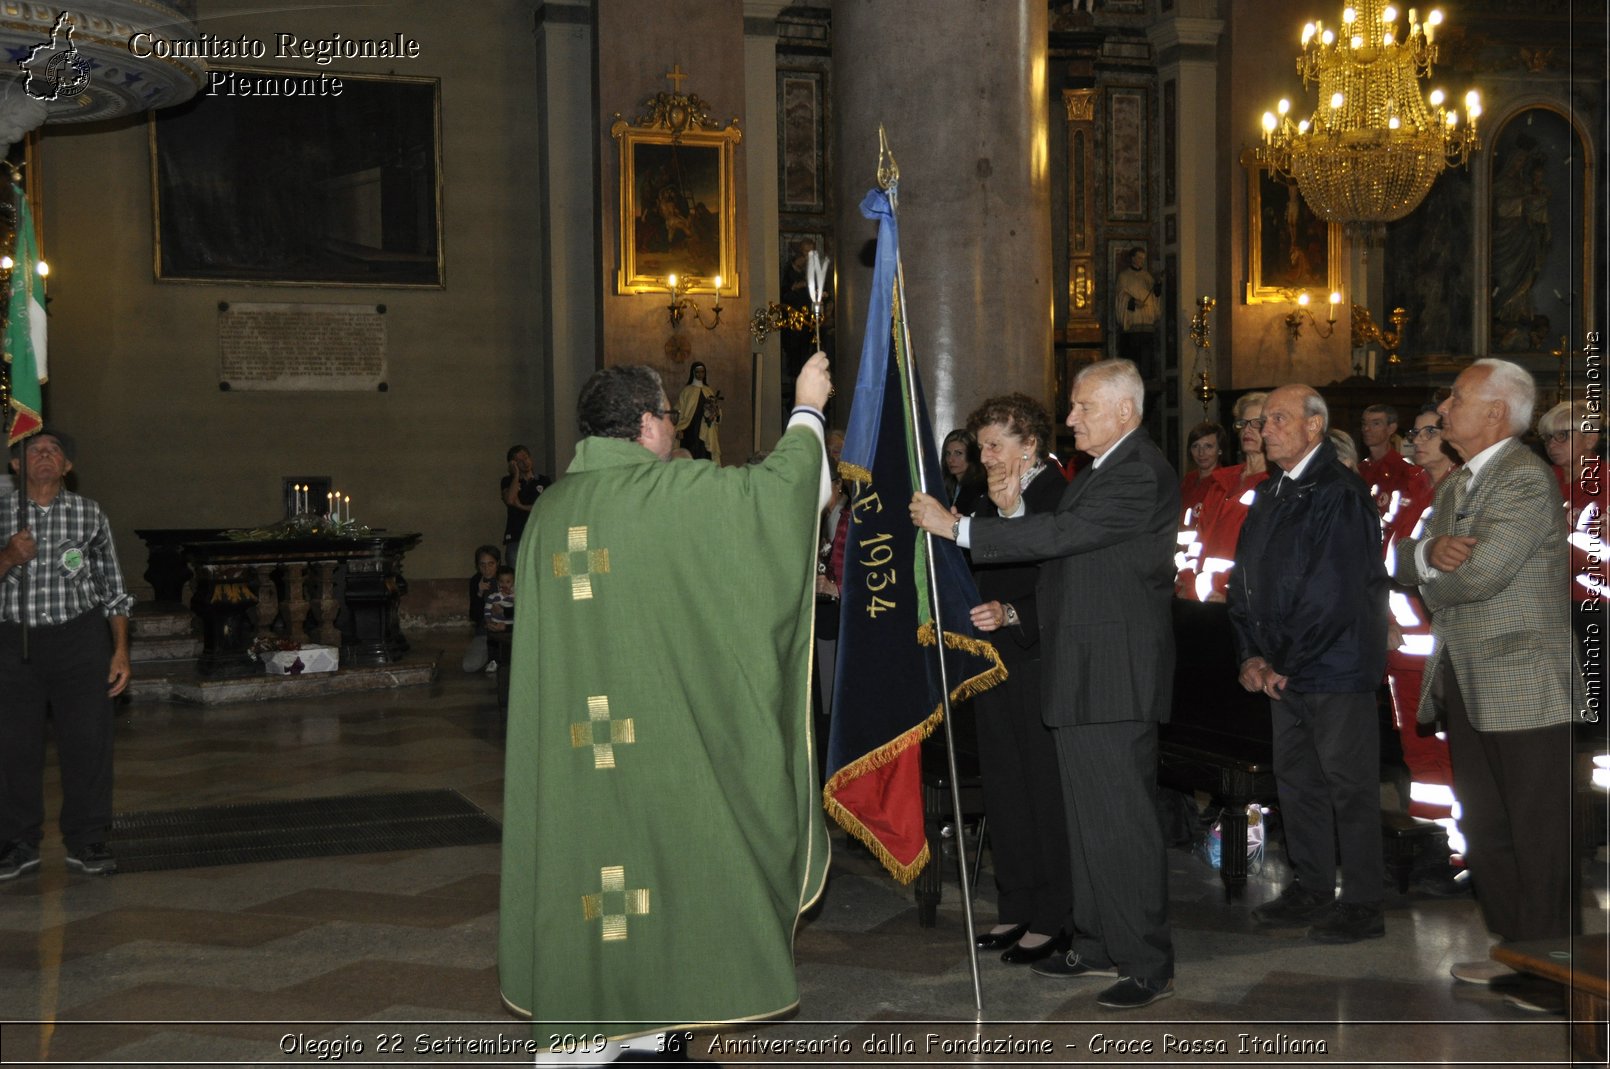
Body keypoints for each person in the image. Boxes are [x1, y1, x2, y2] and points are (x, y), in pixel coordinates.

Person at [498, 353, 833, 1060]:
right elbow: (778, 498)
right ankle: (645, 1025)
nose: (674, 437)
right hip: (653, 742)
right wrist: (806, 408)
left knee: (593, 876)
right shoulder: (668, 494)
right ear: (649, 423)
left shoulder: (550, 510)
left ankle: (602, 1030)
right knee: (660, 866)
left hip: (577, 757)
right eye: (669, 423)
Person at [910, 358, 1179, 1010]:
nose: (1071, 418)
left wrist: (963, 528)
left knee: (1121, 825)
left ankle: (1145, 959)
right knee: (1086, 822)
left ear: (1125, 409)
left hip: (1114, 674)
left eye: (1084, 406)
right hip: (1080, 669)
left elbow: (1063, 533)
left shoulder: (1138, 471)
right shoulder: (1101, 471)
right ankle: (1091, 941)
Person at [1394, 359, 1583, 1002]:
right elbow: (1406, 555)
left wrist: (1432, 572)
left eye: (1457, 397)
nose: (1444, 409)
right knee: (1487, 826)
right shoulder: (1458, 484)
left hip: (1523, 679)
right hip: (1469, 678)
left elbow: (1481, 575)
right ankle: (1515, 950)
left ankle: (1557, 973)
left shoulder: (1524, 480)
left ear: (1497, 412)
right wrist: (1428, 556)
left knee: (1538, 833)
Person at [1227, 385, 1389, 945]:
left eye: (1277, 419)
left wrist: (1283, 662)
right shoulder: (1274, 492)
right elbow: (1244, 578)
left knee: (1348, 786)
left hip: (1333, 666)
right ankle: (1314, 887)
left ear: (1314, 427)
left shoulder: (1337, 492)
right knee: (1298, 784)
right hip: (1286, 668)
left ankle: (1364, 901)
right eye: (1262, 420)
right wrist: (1250, 652)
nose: (1263, 429)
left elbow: (1334, 593)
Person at [957, 393, 1073, 966]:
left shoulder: (1058, 494)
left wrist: (1011, 612)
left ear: (1030, 444)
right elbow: (975, 569)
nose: (986, 456)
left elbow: (1055, 576)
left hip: (1039, 657)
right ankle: (1016, 901)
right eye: (981, 447)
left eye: (996, 445)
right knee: (1004, 784)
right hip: (994, 660)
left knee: (1042, 788)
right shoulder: (981, 499)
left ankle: (1055, 914)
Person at [0, 429, 134, 881]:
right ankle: (19, 842)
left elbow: (112, 588)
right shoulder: (1, 512)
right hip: (13, 641)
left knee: (88, 741)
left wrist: (119, 651)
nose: (43, 456)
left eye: (53, 451)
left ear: (66, 467)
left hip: (79, 640)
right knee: (14, 746)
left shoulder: (88, 513)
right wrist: (7, 557)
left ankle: (88, 838)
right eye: (33, 450)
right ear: (16, 464)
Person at [1384, 407, 1460, 824]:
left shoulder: (1463, 492)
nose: (1419, 438)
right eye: (1416, 431)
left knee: (1451, 752)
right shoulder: (1410, 491)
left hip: (1443, 653)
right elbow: (1384, 566)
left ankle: (1460, 849)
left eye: (1431, 431)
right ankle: (1431, 837)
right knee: (1418, 753)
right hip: (1401, 652)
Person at [1176, 392, 1269, 602]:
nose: (1248, 430)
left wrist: (1232, 596)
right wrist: (1186, 580)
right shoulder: (1223, 480)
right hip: (1199, 598)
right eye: (1243, 423)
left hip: (1237, 601)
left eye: (1257, 423)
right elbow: (1197, 538)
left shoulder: (1273, 484)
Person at [1114, 247, 1160, 374]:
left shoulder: (1147, 276)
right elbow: (1121, 295)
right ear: (1132, 258)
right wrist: (1133, 302)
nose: (1141, 261)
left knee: (1146, 358)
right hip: (1132, 325)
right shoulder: (1124, 276)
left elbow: (1155, 296)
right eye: (1139, 257)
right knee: (1132, 357)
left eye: (1143, 258)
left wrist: (1157, 288)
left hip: (1146, 324)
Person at [502, 444, 552, 562]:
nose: (524, 462)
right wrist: (516, 475)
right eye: (518, 461)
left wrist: (521, 506)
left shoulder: (544, 481)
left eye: (525, 457)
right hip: (516, 536)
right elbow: (509, 499)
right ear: (513, 464)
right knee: (516, 575)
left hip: (539, 536)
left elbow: (545, 507)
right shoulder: (507, 481)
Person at [462, 544, 501, 674]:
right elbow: (474, 615)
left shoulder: (507, 578)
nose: (487, 569)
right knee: (469, 665)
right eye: (482, 565)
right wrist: (479, 594)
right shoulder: (476, 581)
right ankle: (490, 657)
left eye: (491, 564)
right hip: (485, 633)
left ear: (498, 563)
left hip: (506, 632)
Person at [674, 361, 722, 464]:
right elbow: (679, 410)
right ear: (693, 373)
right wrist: (679, 429)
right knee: (690, 458)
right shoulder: (687, 391)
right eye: (697, 372)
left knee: (705, 457)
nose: (700, 374)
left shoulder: (708, 391)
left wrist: (715, 414)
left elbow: (716, 409)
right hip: (690, 430)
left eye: (702, 372)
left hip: (706, 431)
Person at [1179, 421, 1225, 525]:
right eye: (1195, 446)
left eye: (1208, 446)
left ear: (1220, 450)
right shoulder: (1188, 480)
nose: (1201, 453)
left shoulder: (1223, 482)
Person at [940, 428, 986, 515]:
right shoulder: (948, 486)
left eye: (958, 453)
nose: (951, 459)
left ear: (972, 456)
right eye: (948, 454)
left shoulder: (979, 488)